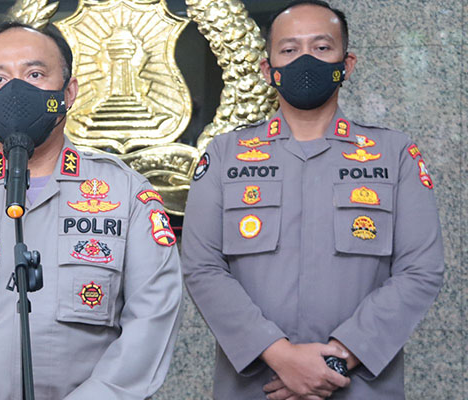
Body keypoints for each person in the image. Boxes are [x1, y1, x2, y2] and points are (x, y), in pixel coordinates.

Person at [0, 22, 183, 399]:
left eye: (34, 74)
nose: (15, 91)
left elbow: (151, 319)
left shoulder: (126, 193)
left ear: (69, 92)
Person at [181, 1, 444, 399]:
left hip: (358, 387)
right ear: (268, 69)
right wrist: (281, 356)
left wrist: (334, 362)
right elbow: (203, 268)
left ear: (347, 64)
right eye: (289, 49)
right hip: (257, 386)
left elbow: (420, 269)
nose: (305, 60)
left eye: (322, 48)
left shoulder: (394, 155)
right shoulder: (223, 155)